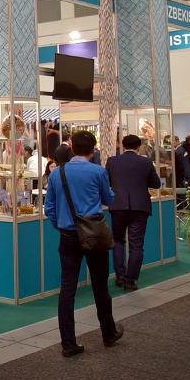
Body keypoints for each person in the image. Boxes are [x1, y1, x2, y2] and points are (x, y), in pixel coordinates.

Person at [44, 130, 122, 357]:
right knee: (100, 285)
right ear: (93, 149)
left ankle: (68, 343)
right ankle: (108, 333)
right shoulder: (98, 171)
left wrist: (62, 226)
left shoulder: (57, 174)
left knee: (67, 288)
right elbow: (109, 199)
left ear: (72, 148)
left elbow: (50, 208)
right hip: (94, 233)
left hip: (68, 235)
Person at [106, 135, 161, 291]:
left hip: (118, 206)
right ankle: (130, 280)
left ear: (123, 146)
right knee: (136, 244)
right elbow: (156, 183)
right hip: (140, 207)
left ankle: (120, 276)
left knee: (118, 241)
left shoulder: (112, 161)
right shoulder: (146, 162)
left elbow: (106, 182)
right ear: (138, 146)